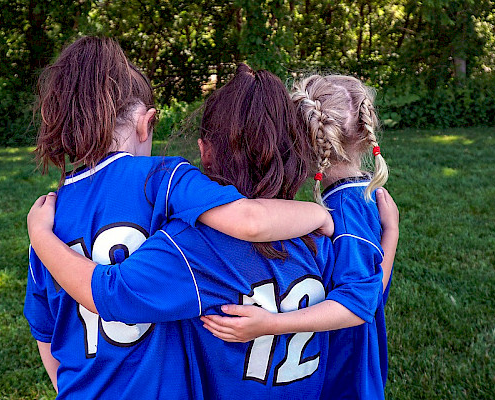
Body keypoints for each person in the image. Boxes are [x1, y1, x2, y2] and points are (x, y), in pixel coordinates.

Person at [27, 64, 398, 399]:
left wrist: (41, 237)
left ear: (205, 152)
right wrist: (387, 234)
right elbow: (364, 295)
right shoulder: (323, 237)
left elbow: (113, 294)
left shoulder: (193, 248)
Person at [201, 73, 399, 399]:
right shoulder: (356, 197)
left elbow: (362, 301)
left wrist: (271, 324)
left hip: (346, 375)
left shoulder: (347, 210)